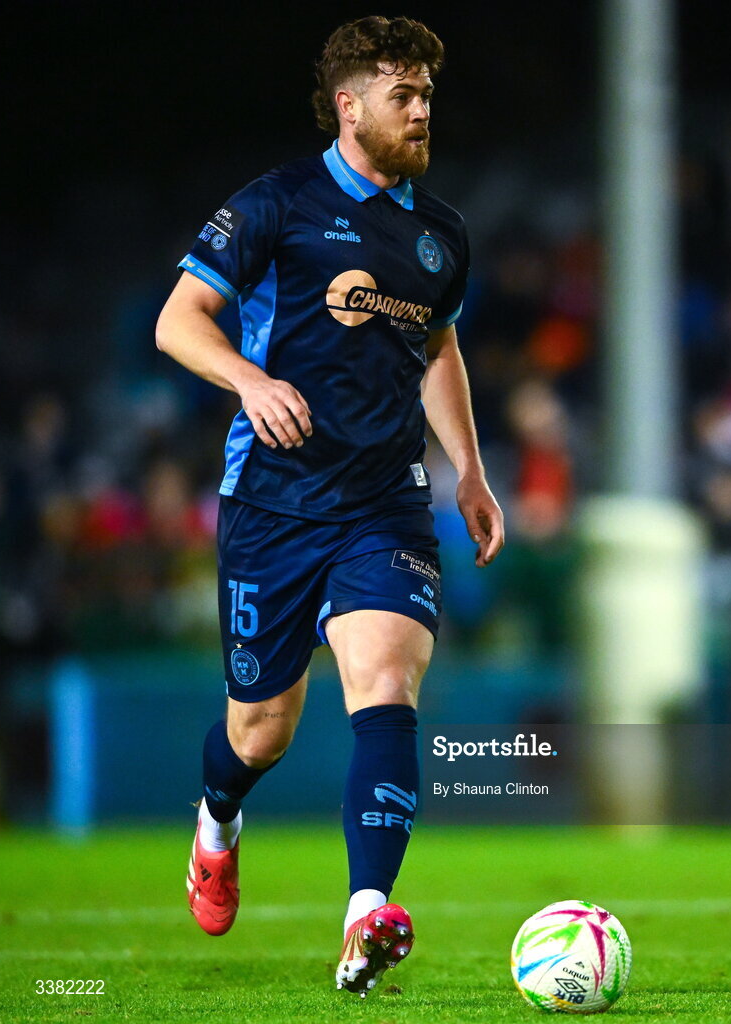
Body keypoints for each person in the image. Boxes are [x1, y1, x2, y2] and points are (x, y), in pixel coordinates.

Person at [155, 15, 503, 999]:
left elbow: (436, 349)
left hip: (386, 502)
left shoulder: (440, 235)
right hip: (270, 502)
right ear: (351, 106)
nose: (424, 109)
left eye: (429, 93)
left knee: (386, 683)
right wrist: (246, 383)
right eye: (406, 95)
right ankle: (217, 821)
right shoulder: (275, 205)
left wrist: (468, 472)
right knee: (261, 728)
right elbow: (177, 320)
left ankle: (365, 917)